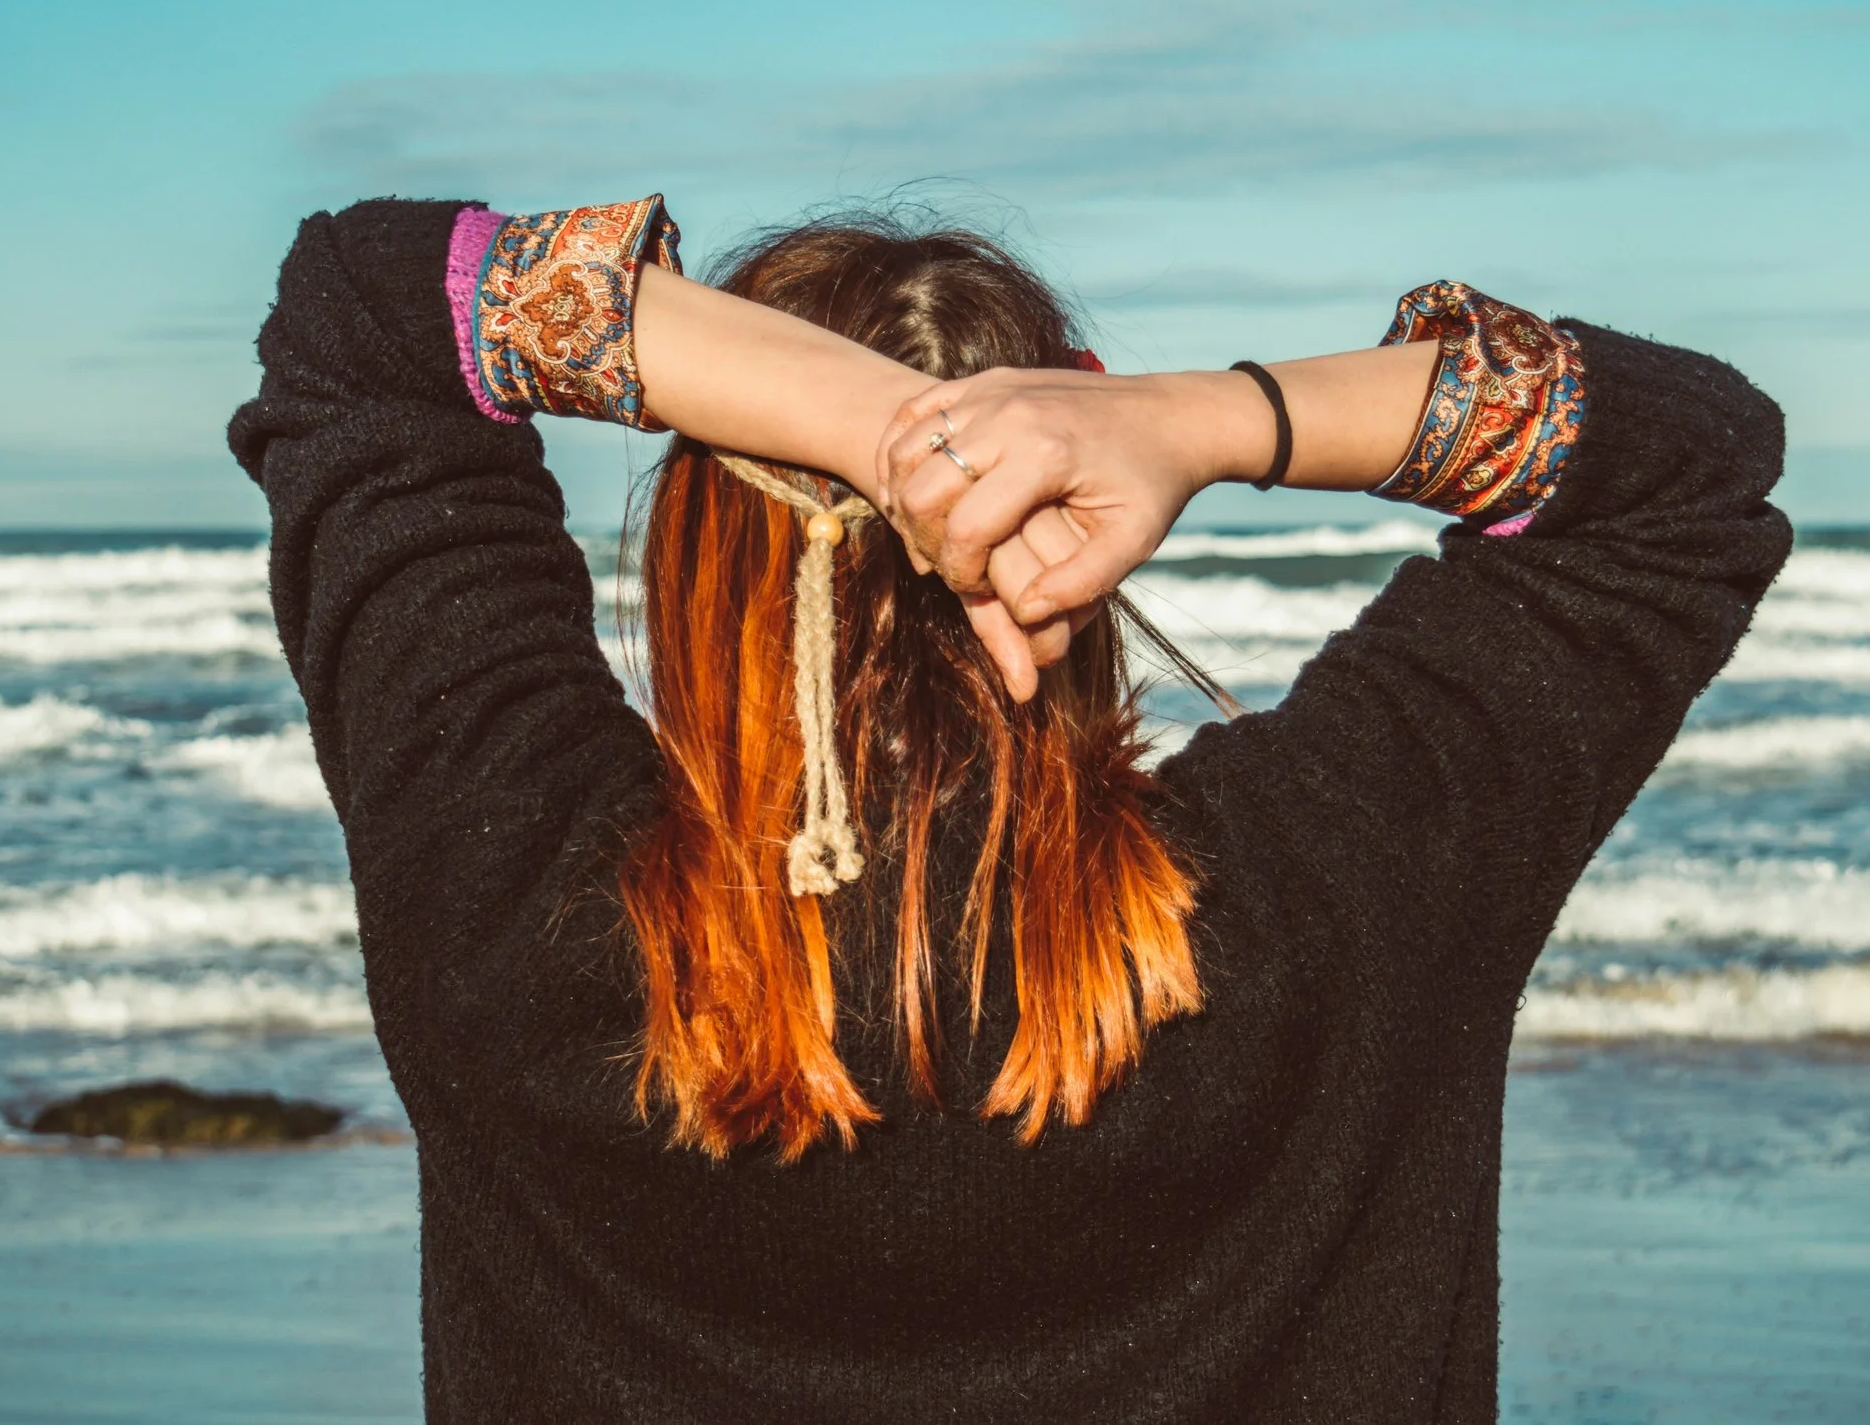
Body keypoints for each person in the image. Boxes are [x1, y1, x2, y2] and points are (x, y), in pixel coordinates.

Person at [228, 192, 1789, 1423]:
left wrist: (856, 427)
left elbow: (371, 313)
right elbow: (1684, 467)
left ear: (700, 544)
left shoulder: (515, 896)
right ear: (1091, 518)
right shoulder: (1338, 886)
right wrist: (1210, 419)